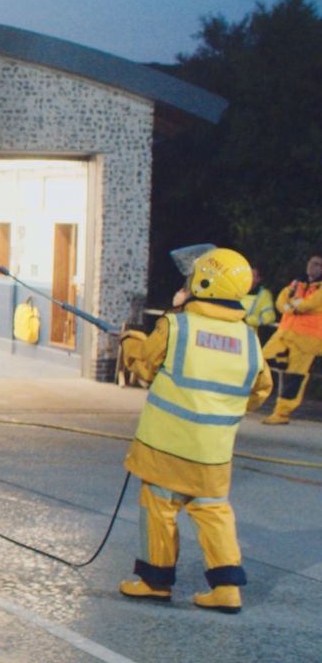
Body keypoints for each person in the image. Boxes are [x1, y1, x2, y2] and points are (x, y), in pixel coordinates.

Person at [116, 247, 272, 614]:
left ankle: (154, 582)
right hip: (214, 452)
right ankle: (226, 589)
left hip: (167, 446)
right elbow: (259, 390)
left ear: (202, 283)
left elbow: (146, 367)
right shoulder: (250, 340)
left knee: (159, 505)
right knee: (213, 510)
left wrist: (129, 341)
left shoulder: (177, 326)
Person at [260, 254, 322, 425]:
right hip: (285, 333)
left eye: (318, 265)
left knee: (294, 377)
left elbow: (310, 304)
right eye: (312, 263)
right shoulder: (297, 283)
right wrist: (293, 306)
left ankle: (282, 413)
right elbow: (281, 301)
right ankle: (248, 399)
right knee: (261, 362)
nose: (313, 267)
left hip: (307, 339)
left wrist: (292, 305)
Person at [240, 267, 278, 344]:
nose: (248, 278)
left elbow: (269, 318)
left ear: (258, 279)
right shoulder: (237, 290)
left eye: (252, 276)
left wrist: (248, 320)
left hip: (248, 337)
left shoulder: (264, 295)